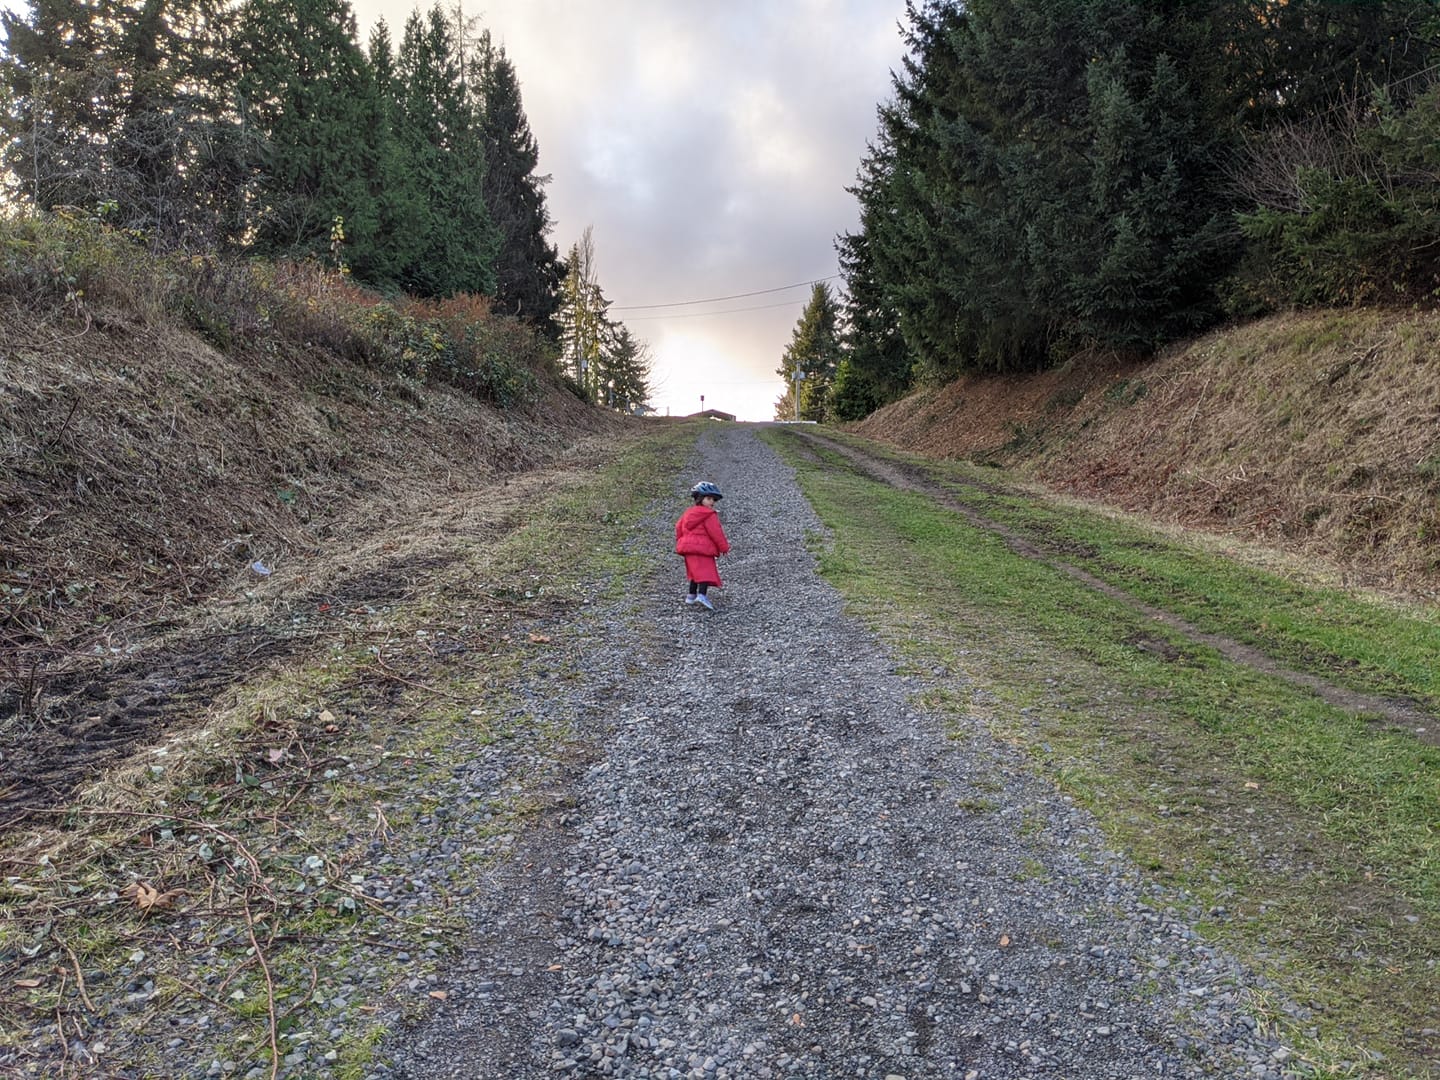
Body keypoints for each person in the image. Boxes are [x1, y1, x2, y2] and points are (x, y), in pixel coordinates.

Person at [674, 481, 730, 610]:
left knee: (694, 572)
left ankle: (691, 595)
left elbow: (678, 526)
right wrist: (724, 547)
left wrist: (682, 540)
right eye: (709, 498)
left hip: (688, 547)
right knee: (705, 571)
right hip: (702, 548)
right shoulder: (709, 515)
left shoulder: (688, 513)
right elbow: (716, 532)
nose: (712, 502)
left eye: (713, 500)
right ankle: (702, 595)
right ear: (700, 499)